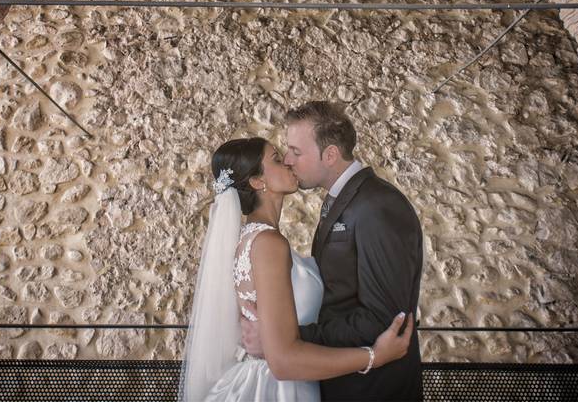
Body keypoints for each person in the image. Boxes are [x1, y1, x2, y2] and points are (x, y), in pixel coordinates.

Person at [181, 137, 414, 402]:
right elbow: (283, 361)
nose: (289, 163)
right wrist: (374, 356)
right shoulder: (268, 244)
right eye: (277, 160)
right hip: (274, 390)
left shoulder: (252, 238)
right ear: (258, 182)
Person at [242, 101, 424, 401]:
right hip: (343, 383)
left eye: (296, 152)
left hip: (373, 390)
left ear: (329, 155)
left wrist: (288, 340)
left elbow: (383, 319)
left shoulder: (376, 206)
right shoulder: (341, 201)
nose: (288, 160)